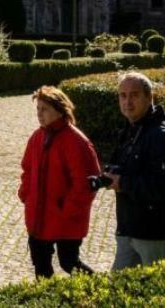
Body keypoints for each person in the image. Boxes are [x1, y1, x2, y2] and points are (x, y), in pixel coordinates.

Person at [102, 70, 165, 268]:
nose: (127, 102)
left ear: (149, 97)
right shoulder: (133, 128)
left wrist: (123, 183)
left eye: (134, 95)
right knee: (120, 292)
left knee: (157, 293)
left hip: (154, 232)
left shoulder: (162, 135)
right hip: (129, 228)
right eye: (122, 96)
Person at [18, 85, 100, 278]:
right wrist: (26, 193)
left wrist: (66, 209)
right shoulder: (37, 137)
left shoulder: (76, 141)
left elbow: (86, 184)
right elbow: (27, 169)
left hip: (65, 218)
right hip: (39, 214)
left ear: (60, 109)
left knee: (69, 262)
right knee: (40, 265)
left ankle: (96, 290)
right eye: (38, 109)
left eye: (44, 109)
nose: (39, 114)